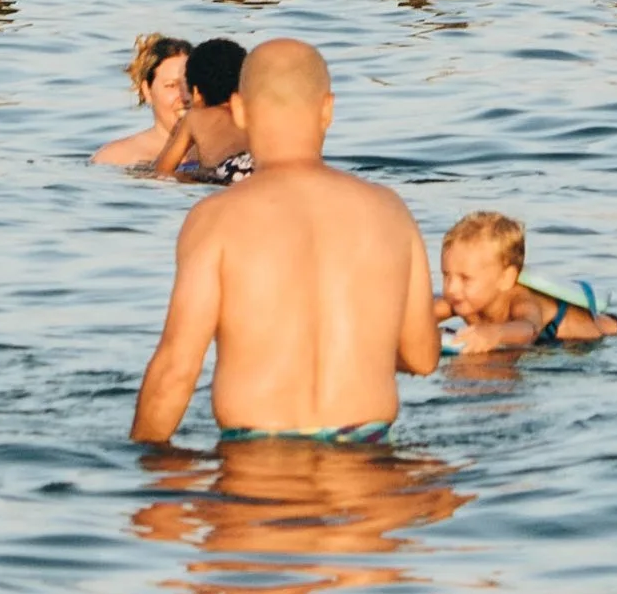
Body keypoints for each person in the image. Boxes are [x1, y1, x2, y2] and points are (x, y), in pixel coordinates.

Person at [131, 37, 440, 442]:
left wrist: (142, 473)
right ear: (327, 109)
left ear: (239, 110)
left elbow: (176, 370)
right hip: (368, 460)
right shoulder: (390, 211)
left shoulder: (216, 219)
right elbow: (422, 357)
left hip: (256, 466)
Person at [440, 211, 617, 353]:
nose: (452, 288)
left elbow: (528, 329)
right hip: (545, 345)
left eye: (465, 279)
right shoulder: (460, 298)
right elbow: (422, 309)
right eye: (446, 275)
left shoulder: (521, 300)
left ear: (505, 279)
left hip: (598, 337)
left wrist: (492, 334)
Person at [146, 37, 251, 182]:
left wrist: (192, 178)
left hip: (227, 172)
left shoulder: (194, 117)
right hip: (257, 166)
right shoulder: (252, 112)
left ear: (195, 92)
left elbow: (163, 170)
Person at [93, 33, 192, 168]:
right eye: (171, 85)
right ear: (147, 91)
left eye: (191, 84)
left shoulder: (224, 150)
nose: (185, 96)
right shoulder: (115, 157)